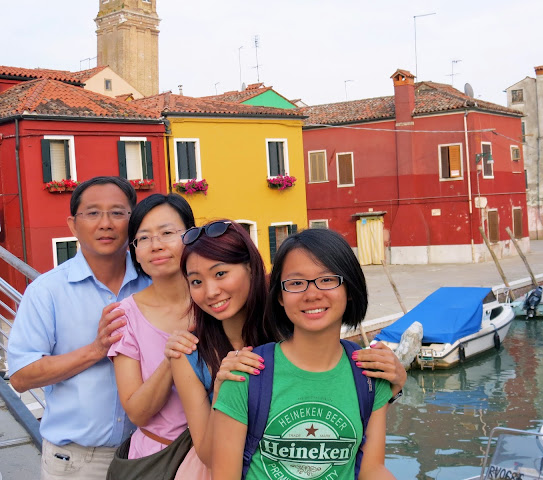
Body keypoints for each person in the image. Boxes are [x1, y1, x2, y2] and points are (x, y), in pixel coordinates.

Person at [168, 221, 405, 475]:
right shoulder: (220, 364)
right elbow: (210, 456)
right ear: (280, 294)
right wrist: (220, 391)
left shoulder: (295, 328)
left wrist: (396, 383)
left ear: (251, 270)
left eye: (220, 274)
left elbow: (367, 455)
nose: (211, 291)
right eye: (195, 281)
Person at [8, 176, 149, 480]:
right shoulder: (47, 291)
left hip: (150, 453)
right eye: (93, 213)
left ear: (133, 221)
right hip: (77, 460)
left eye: (117, 212)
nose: (106, 223)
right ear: (73, 225)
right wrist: (96, 350)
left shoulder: (155, 283)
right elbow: (20, 377)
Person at [107, 194, 195, 459]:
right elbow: (137, 412)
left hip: (227, 453)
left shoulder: (218, 300)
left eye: (167, 232)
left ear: (191, 236)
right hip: (158, 459)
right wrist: (172, 359)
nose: (155, 245)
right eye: (143, 238)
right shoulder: (124, 316)